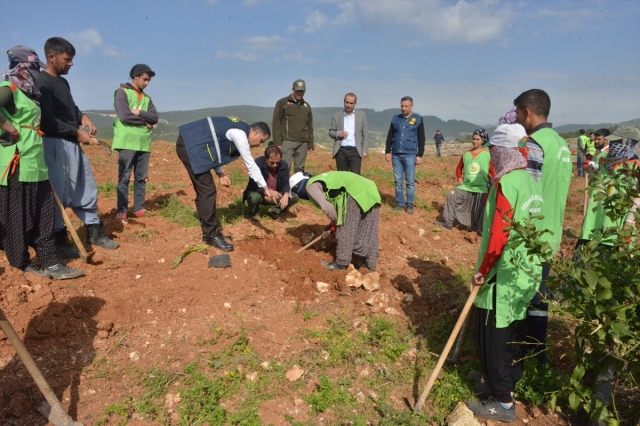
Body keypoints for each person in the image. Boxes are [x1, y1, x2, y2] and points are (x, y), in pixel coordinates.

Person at [466, 123, 544, 423]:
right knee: (513, 331)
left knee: (493, 337)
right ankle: (506, 382)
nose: (492, 157)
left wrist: (483, 271)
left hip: (503, 272)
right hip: (525, 272)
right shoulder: (529, 181)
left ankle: (503, 403)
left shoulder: (506, 183)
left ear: (503, 152)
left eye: (494, 151)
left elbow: (499, 235)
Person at [0, 45, 82, 279]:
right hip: (17, 164)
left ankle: (51, 263)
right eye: (32, 68)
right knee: (18, 217)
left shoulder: (30, 94)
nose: (35, 73)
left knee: (44, 216)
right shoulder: (10, 88)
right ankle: (21, 264)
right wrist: (7, 128)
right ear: (21, 67)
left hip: (36, 162)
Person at [37, 37, 118, 255]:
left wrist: (83, 117)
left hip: (71, 143)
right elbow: (47, 120)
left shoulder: (62, 82)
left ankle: (94, 231)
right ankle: (59, 241)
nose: (71, 63)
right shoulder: (42, 83)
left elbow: (69, 107)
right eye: (67, 59)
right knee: (58, 194)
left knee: (85, 187)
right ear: (51, 58)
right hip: (54, 145)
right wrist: (75, 132)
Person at [513, 89, 572, 365]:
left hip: (531, 232)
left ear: (527, 112)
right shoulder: (561, 145)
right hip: (552, 230)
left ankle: (520, 358)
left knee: (521, 295)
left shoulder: (535, 143)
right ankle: (538, 356)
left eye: (517, 113)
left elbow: (528, 190)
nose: (516, 118)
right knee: (539, 296)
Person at [175, 116, 275, 251]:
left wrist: (220, 173)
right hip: (190, 146)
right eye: (261, 141)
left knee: (204, 190)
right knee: (207, 190)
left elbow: (215, 146)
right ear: (255, 133)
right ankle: (210, 234)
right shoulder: (240, 133)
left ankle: (209, 230)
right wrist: (266, 188)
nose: (260, 145)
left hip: (190, 144)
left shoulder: (238, 128)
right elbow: (250, 164)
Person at [304, 171, 380, 272]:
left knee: (345, 230)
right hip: (370, 188)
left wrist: (335, 224)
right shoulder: (325, 179)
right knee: (369, 231)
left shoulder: (310, 186)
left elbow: (329, 209)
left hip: (353, 190)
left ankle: (341, 263)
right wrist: (331, 225)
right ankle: (369, 265)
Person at [112, 64, 159, 222]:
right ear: (136, 77)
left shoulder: (147, 98)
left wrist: (139, 112)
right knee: (124, 178)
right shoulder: (122, 92)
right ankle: (122, 210)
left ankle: (139, 208)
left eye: (149, 80)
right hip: (126, 141)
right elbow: (124, 116)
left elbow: (155, 118)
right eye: (145, 79)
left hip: (143, 142)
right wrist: (144, 122)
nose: (147, 83)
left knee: (141, 178)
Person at [435, 129, 494, 232]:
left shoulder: (488, 155)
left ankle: (480, 230)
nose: (474, 141)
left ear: (483, 141)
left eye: (477, 139)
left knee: (484, 209)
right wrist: (460, 179)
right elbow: (459, 168)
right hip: (466, 187)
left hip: (482, 189)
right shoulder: (466, 154)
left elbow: (493, 172)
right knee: (451, 196)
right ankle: (447, 223)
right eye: (473, 139)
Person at [385, 96, 425, 215]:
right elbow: (390, 136)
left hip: (410, 155)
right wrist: (388, 151)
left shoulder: (418, 119)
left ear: (411, 106)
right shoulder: (395, 119)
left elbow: (421, 138)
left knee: (410, 181)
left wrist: (420, 154)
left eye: (406, 106)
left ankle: (409, 204)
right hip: (396, 155)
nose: (403, 108)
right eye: (402, 106)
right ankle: (400, 203)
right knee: (398, 180)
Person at [243, 145, 298, 222]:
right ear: (265, 159)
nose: (275, 165)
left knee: (294, 197)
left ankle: (274, 211)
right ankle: (254, 212)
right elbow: (253, 184)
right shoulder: (257, 164)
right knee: (254, 197)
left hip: (275, 194)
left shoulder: (284, 165)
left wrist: (286, 194)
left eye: (277, 163)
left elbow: (286, 182)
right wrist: (267, 191)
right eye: (272, 162)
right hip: (260, 193)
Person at [577, 128, 611, 246]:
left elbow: (605, 169)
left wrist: (592, 164)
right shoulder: (599, 151)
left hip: (603, 189)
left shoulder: (608, 152)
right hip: (596, 187)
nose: (595, 141)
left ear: (606, 140)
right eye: (595, 139)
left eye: (599, 139)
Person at [272, 79, 313, 173]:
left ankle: (297, 187)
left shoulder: (307, 106)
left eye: (301, 91)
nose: (299, 93)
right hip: (287, 140)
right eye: (297, 90)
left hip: (303, 142)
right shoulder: (282, 103)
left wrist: (310, 143)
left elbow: (310, 126)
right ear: (292, 89)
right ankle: (283, 187)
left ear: (304, 91)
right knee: (284, 167)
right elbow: (276, 123)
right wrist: (277, 142)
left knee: (300, 169)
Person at [329, 93, 368, 174]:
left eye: (351, 103)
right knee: (342, 178)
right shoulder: (336, 116)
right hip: (341, 151)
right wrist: (338, 133)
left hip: (355, 151)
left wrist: (365, 150)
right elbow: (331, 132)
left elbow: (365, 133)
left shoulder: (362, 115)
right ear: (344, 102)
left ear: (355, 104)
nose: (348, 105)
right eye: (347, 102)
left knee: (355, 177)